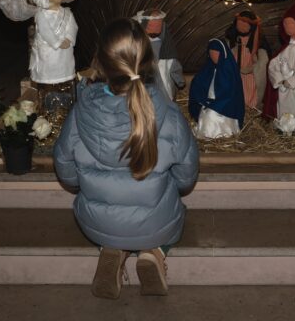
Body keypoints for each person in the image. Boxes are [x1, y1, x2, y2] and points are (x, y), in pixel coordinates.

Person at [54, 18, 199, 299]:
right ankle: (153, 253)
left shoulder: (80, 113)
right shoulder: (168, 113)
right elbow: (186, 177)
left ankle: (113, 249)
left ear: (100, 62)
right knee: (175, 212)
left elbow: (67, 173)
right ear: (148, 61)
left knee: (112, 224)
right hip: (156, 221)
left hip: (97, 223)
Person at [188, 37, 245, 139]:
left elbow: (229, 94)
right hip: (209, 103)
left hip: (225, 108)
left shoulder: (229, 71)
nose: (213, 56)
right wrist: (202, 100)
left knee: (210, 115)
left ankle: (216, 134)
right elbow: (199, 83)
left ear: (222, 53)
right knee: (203, 112)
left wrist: (214, 105)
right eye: (211, 53)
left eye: (216, 53)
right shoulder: (209, 68)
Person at [30, 0, 78, 85]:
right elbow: (45, 31)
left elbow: (73, 26)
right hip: (49, 56)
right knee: (49, 77)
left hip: (65, 56)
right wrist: (57, 43)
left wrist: (69, 38)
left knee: (65, 70)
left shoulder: (67, 12)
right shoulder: (41, 15)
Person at [132, 9, 185, 100]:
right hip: (144, 89)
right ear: (144, 25)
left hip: (164, 87)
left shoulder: (166, 47)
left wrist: (180, 81)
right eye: (151, 26)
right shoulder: (137, 46)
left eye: (158, 26)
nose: (156, 29)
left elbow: (174, 65)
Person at [225, 10, 271, 110]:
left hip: (251, 76)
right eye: (240, 23)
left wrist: (251, 68)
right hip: (235, 74)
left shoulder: (258, 43)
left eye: (245, 23)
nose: (242, 26)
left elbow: (263, 61)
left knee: (248, 96)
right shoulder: (232, 41)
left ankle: (250, 109)